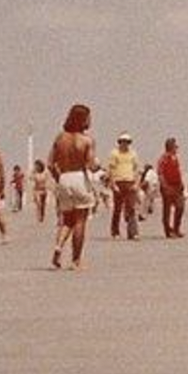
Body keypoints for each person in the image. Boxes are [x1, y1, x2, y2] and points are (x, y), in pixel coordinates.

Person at [48, 104, 99, 269]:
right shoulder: (86, 140)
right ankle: (76, 260)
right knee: (80, 220)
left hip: (64, 177)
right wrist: (97, 166)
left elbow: (50, 163)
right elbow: (91, 165)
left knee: (67, 220)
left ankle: (58, 247)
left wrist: (59, 179)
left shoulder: (60, 138)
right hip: (78, 177)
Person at [107, 132, 141, 240]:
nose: (124, 144)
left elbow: (136, 169)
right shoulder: (114, 153)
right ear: (119, 142)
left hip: (130, 182)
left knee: (131, 208)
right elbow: (111, 170)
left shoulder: (133, 154)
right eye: (123, 142)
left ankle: (133, 232)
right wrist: (113, 184)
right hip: (118, 182)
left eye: (127, 142)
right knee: (117, 208)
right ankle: (115, 231)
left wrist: (136, 183)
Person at [157, 138, 185, 238]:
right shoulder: (163, 158)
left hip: (177, 186)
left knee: (180, 207)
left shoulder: (175, 158)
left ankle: (176, 228)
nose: (176, 148)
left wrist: (181, 183)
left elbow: (178, 172)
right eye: (175, 146)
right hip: (168, 187)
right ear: (170, 147)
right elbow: (160, 172)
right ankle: (168, 230)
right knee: (167, 210)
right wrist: (164, 186)